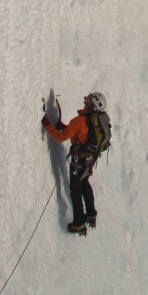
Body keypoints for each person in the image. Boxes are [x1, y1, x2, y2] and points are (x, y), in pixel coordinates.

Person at [44, 94, 99, 233]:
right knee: (84, 182)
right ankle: (91, 215)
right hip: (89, 159)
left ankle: (79, 223)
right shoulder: (93, 121)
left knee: (75, 189)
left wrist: (47, 126)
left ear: (90, 105)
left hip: (78, 161)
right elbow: (79, 132)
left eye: (87, 101)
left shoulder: (79, 120)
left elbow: (62, 137)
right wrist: (64, 127)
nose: (85, 101)